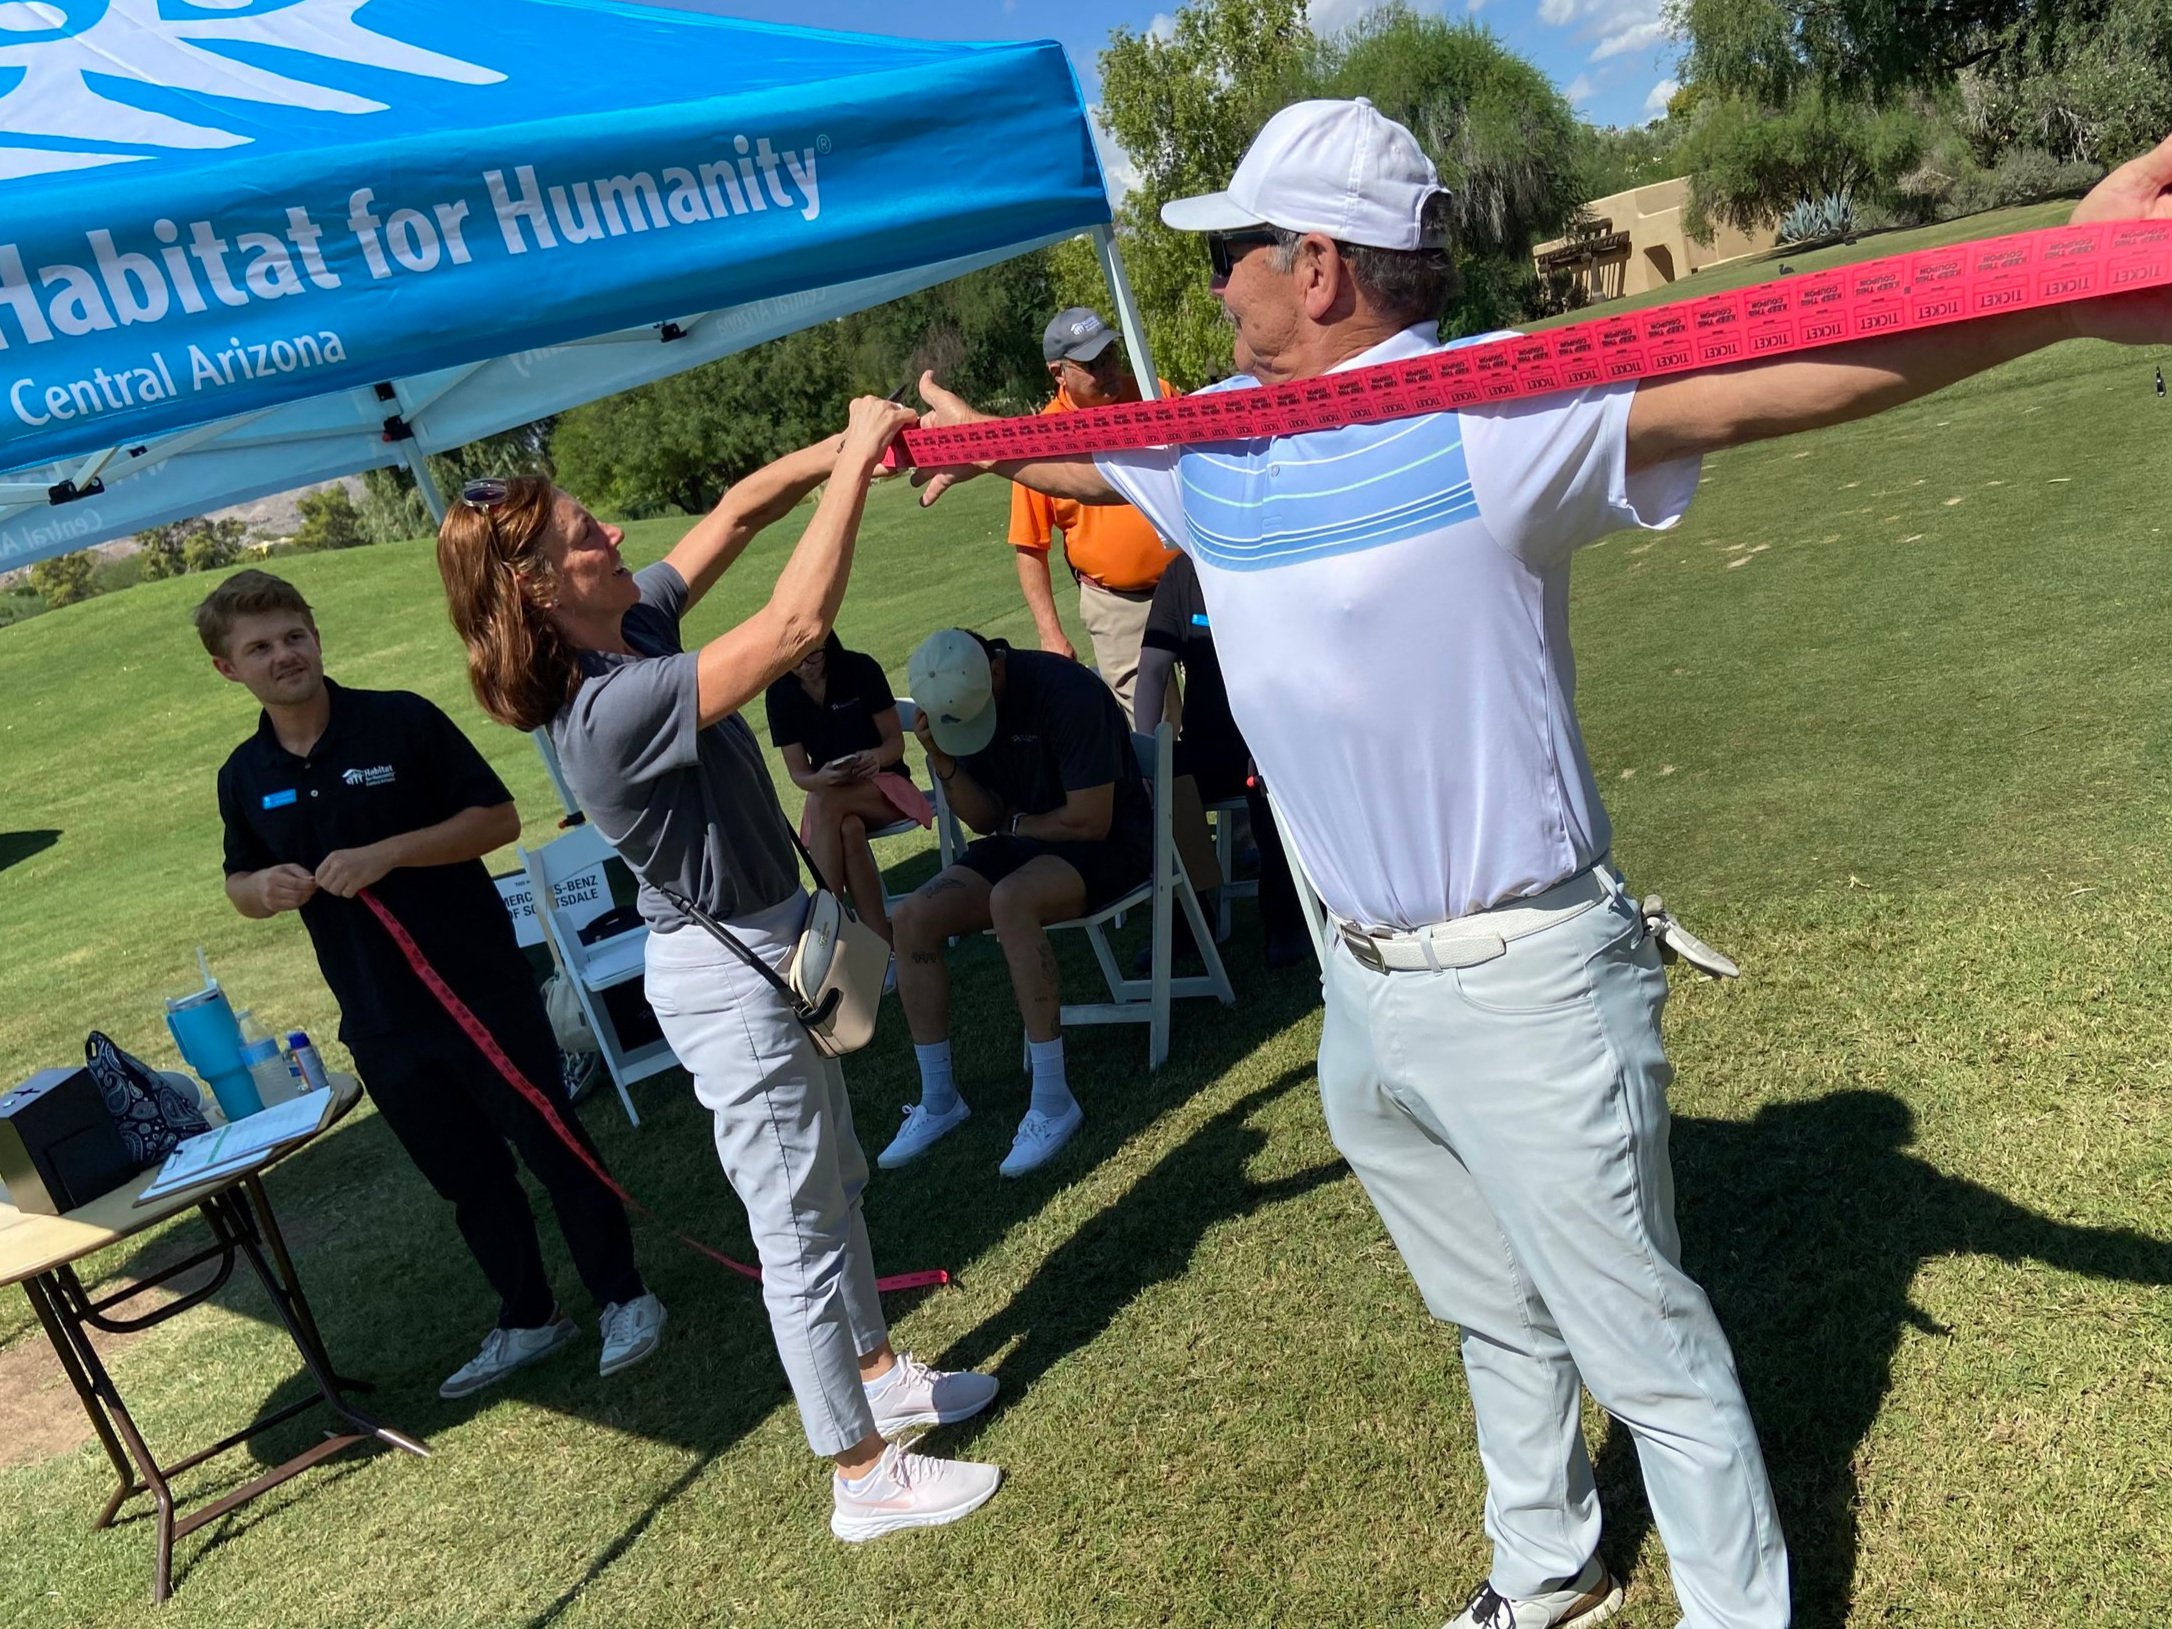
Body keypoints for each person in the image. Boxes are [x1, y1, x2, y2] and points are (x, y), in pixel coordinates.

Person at [912, 97, 2172, 1629]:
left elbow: (1776, 380)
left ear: (1319, 267)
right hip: (1360, 993)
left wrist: (2051, 277)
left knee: (1643, 1345)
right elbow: (1090, 465)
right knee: (1489, 1318)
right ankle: (1548, 1569)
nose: (1217, 283)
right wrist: (970, 441)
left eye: (1238, 252)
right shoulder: (1226, 446)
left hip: (1527, 980)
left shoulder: (1494, 412)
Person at [435, 400, 1004, 1542]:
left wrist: (860, 439)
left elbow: (742, 509)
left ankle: (879, 1373)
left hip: (772, 938)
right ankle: (861, 1477)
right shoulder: (603, 709)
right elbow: (795, 626)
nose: (609, 538)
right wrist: (853, 455)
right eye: (581, 536)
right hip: (730, 977)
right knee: (794, 1231)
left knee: (833, 1181)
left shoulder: (630, 624)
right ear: (541, 590)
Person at [201, 569, 663, 1402]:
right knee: (466, 1177)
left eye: (294, 634)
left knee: (552, 1142)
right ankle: (529, 1314)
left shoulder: (398, 719)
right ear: (228, 669)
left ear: (317, 634)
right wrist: (260, 892)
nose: (285, 655)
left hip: (478, 989)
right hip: (378, 1018)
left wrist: (390, 852)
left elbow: (496, 820)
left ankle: (624, 1296)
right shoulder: (244, 774)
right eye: (259, 647)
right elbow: (238, 880)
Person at [880, 628, 1152, 1177]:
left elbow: (1090, 820)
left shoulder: (1066, 694)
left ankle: (1053, 1100)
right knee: (911, 916)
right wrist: (944, 762)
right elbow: (983, 819)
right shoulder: (958, 708)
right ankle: (939, 1100)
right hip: (1023, 839)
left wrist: (1017, 824)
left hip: (1109, 843)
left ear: (996, 669)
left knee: (1011, 901)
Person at [1132, 550, 1309, 970]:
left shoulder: (1262, 563)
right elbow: (1153, 669)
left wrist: (1269, 740)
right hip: (1207, 743)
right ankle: (1189, 923)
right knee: (1152, 788)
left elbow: (1292, 662)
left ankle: (1286, 921)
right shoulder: (1180, 575)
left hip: (1270, 736)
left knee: (1265, 792)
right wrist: (1146, 752)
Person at [1009, 307, 1181, 719]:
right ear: (1058, 373)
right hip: (1119, 606)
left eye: (1109, 356)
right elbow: (1029, 547)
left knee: (1226, 707)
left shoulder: (1154, 393)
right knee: (1156, 730)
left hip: (1191, 584)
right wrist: (1051, 634)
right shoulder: (1041, 440)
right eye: (1090, 364)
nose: (1106, 370)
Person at [764, 630, 932, 947]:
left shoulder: (860, 669)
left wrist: (874, 758)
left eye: (813, 655)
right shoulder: (780, 694)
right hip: (833, 792)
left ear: (827, 644)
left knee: (822, 803)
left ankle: (831, 928)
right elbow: (800, 774)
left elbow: (894, 744)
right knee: (849, 829)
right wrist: (823, 777)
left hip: (885, 785)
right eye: (794, 661)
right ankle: (881, 945)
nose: (805, 666)